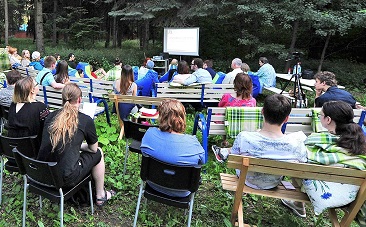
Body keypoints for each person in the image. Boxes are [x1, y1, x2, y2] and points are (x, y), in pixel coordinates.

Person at [282, 101, 366, 220]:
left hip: (323, 191)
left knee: (299, 162)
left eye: (320, 115)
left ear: (328, 120)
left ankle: (298, 204)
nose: (319, 117)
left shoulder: (318, 141)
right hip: (349, 195)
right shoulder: (359, 144)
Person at [37, 83, 116, 206]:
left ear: (62, 99)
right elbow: (93, 149)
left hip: (44, 174)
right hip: (65, 178)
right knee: (99, 152)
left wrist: (76, 146)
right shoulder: (85, 120)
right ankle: (100, 195)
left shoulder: (50, 116)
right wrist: (81, 146)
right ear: (79, 99)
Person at [212, 94, 307, 190]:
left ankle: (222, 152)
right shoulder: (296, 145)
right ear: (286, 119)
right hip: (273, 183)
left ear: (262, 111)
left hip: (246, 180)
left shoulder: (244, 137)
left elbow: (234, 155)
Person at [140, 99, 205, 197]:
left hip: (153, 184)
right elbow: (202, 161)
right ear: (182, 118)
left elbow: (143, 150)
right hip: (183, 190)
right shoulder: (192, 143)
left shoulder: (149, 134)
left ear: (161, 117)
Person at [7, 76, 50, 149]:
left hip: (11, 150)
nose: (38, 85)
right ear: (32, 90)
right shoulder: (40, 107)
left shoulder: (13, 105)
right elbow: (48, 128)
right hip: (32, 150)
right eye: (36, 84)